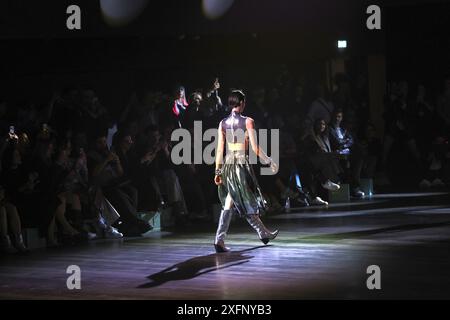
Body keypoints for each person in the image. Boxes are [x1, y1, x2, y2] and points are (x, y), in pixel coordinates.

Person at [213, 90, 279, 253]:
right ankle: (261, 233)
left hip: (228, 164)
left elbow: (220, 150)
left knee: (231, 200)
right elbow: (255, 148)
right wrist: (269, 161)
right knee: (245, 199)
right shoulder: (248, 121)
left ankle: (221, 239)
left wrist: (217, 171)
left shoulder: (223, 123)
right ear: (241, 103)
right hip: (239, 164)